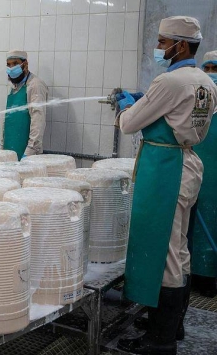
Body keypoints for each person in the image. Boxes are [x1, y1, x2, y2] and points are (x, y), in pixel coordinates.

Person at [115, 16, 217, 354]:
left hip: (166, 171)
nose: (158, 48)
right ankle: (173, 326)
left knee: (168, 253)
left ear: (181, 45)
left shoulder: (170, 81)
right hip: (187, 163)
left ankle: (160, 341)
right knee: (179, 249)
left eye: (162, 42)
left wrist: (128, 105)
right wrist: (148, 99)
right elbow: (178, 114)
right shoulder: (205, 80)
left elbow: (129, 124)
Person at [189, 50, 217, 297]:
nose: (210, 75)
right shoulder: (199, 101)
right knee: (195, 225)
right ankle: (196, 274)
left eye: (215, 70)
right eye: (206, 69)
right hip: (198, 171)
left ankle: (211, 277)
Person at [3, 50, 48, 160]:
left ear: (25, 64)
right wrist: (2, 147)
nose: (11, 68)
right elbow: (8, 121)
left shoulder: (35, 85)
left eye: (15, 63)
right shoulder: (14, 87)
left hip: (26, 152)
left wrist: (29, 152)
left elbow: (38, 121)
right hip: (9, 148)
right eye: (9, 65)